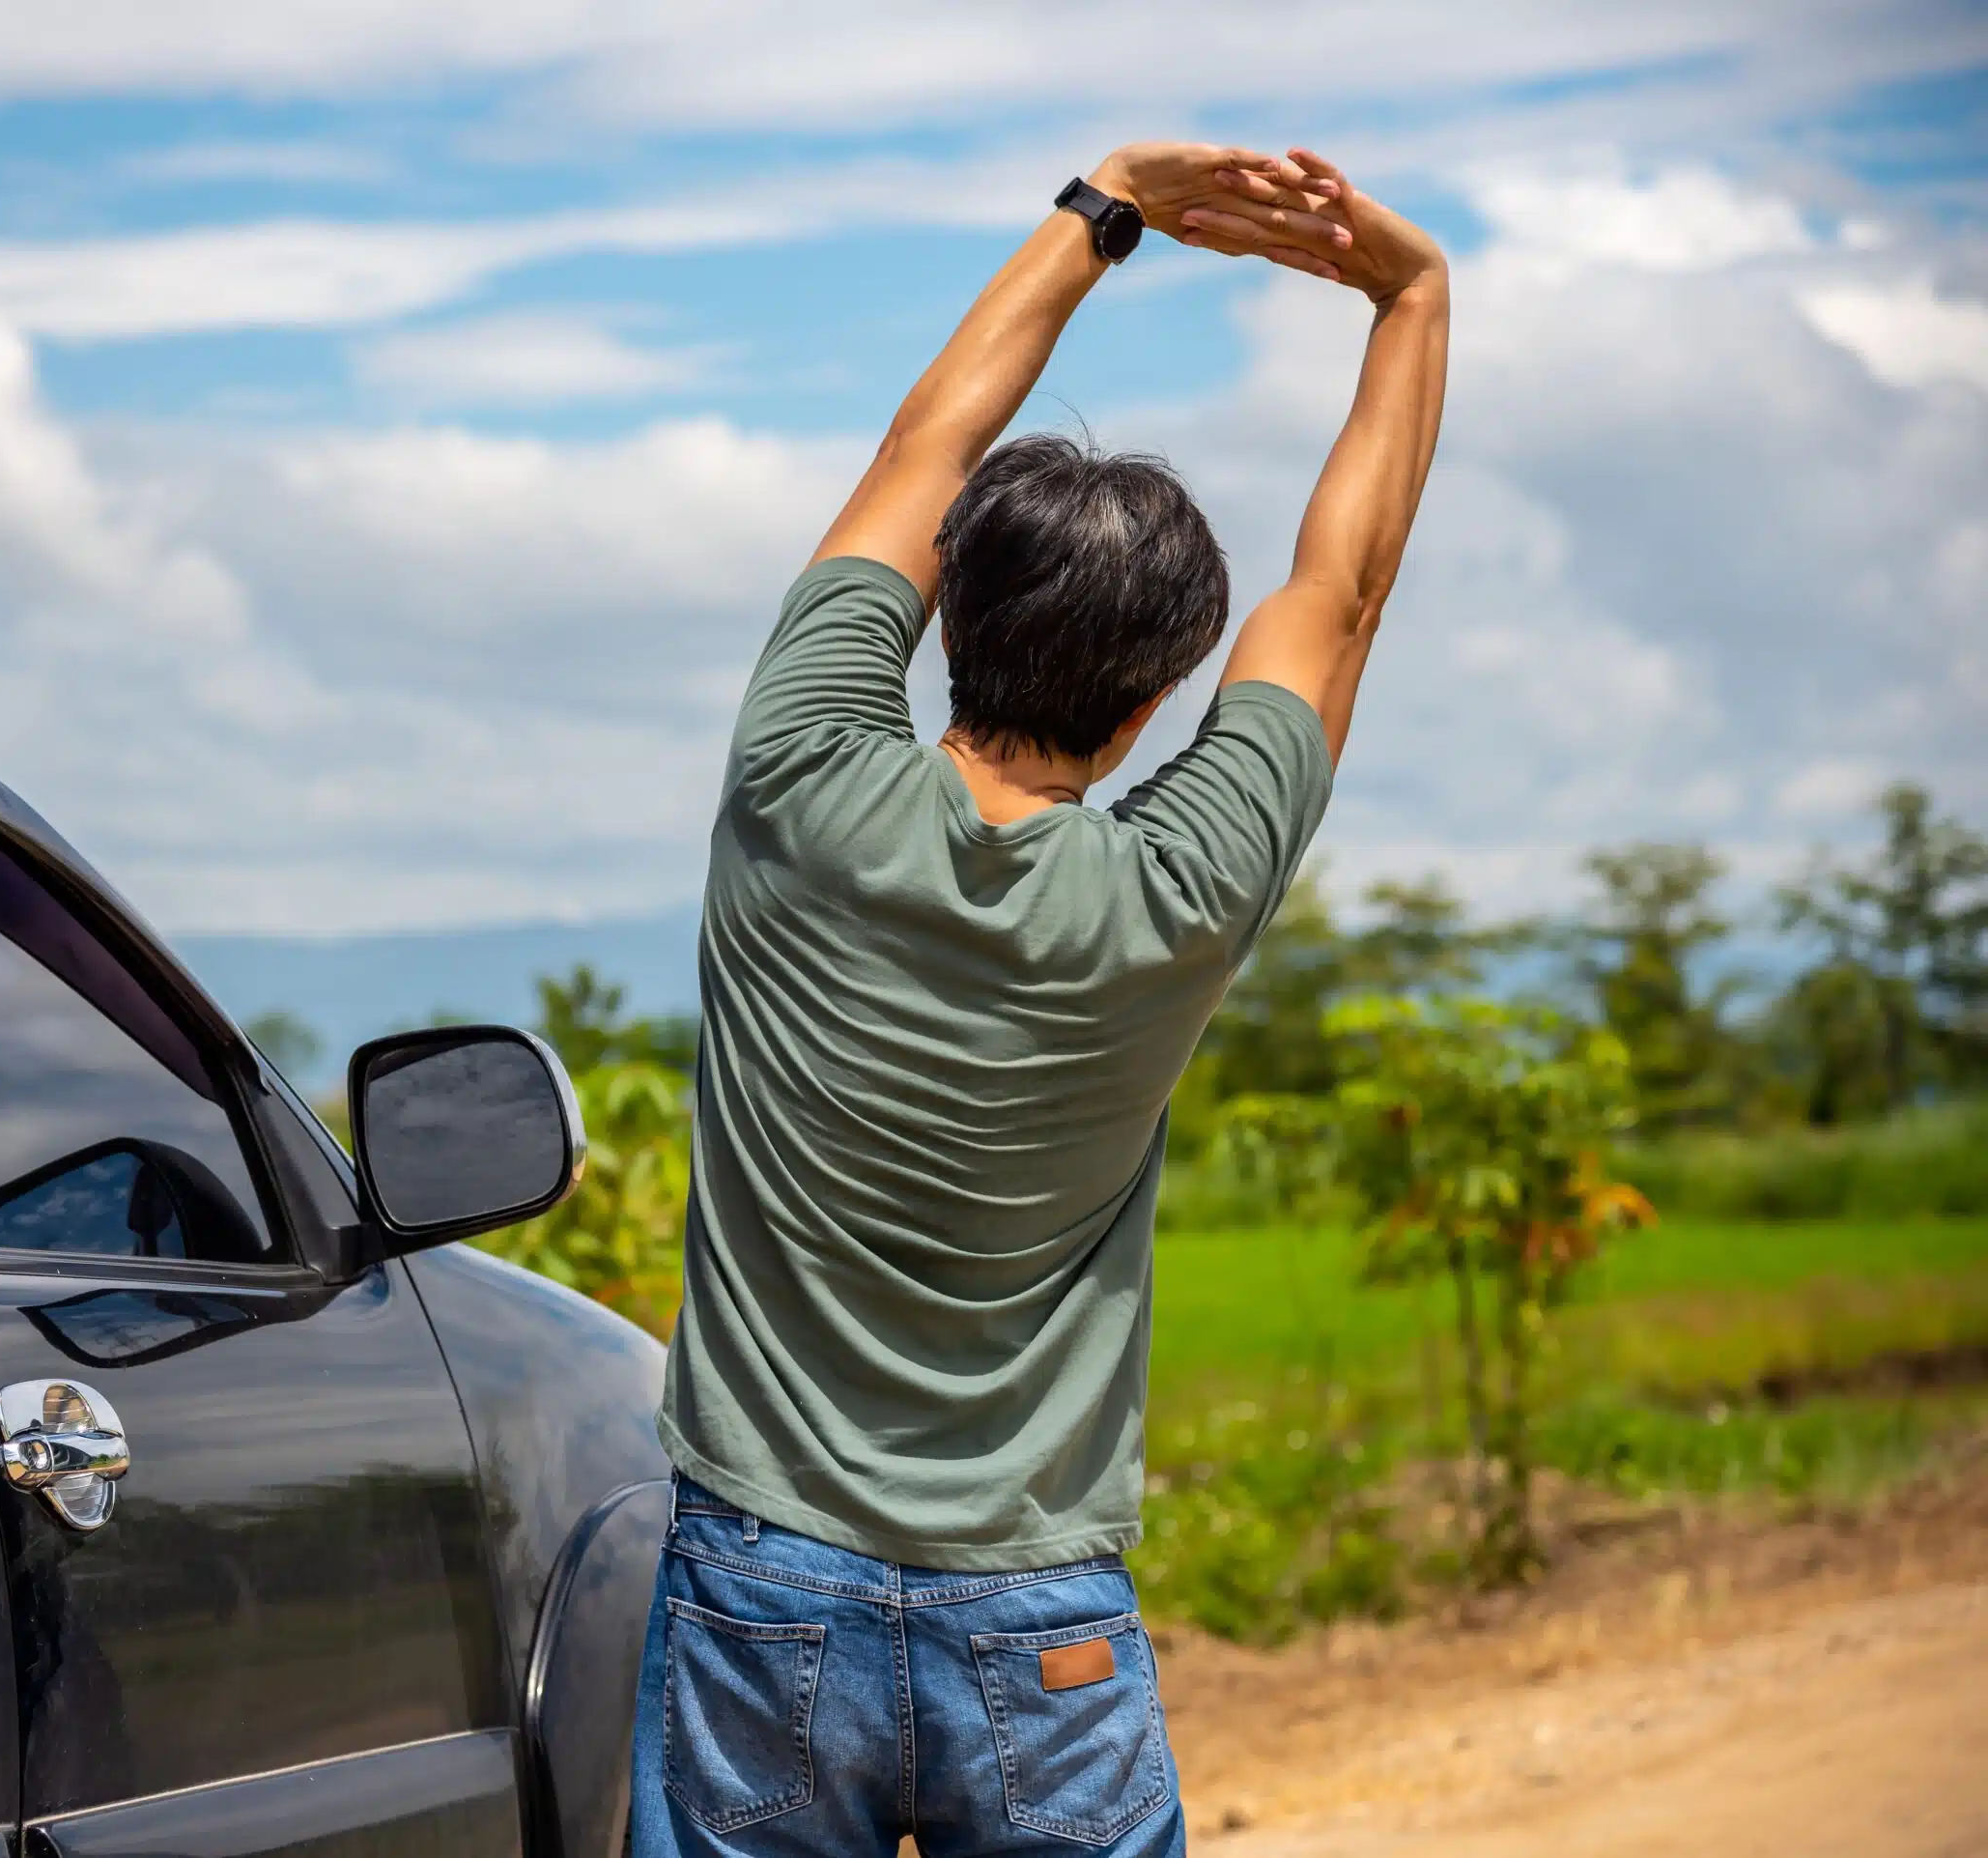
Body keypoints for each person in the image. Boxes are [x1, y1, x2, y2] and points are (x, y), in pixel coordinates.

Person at [633, 142, 1450, 1856]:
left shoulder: (799, 777)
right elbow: (1344, 593)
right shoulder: (1180, 889)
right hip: (1041, 1618)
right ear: (1158, 698)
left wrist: (1108, 206)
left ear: (944, 609)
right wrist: (1407, 295)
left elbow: (916, 449)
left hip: (759, 1594)